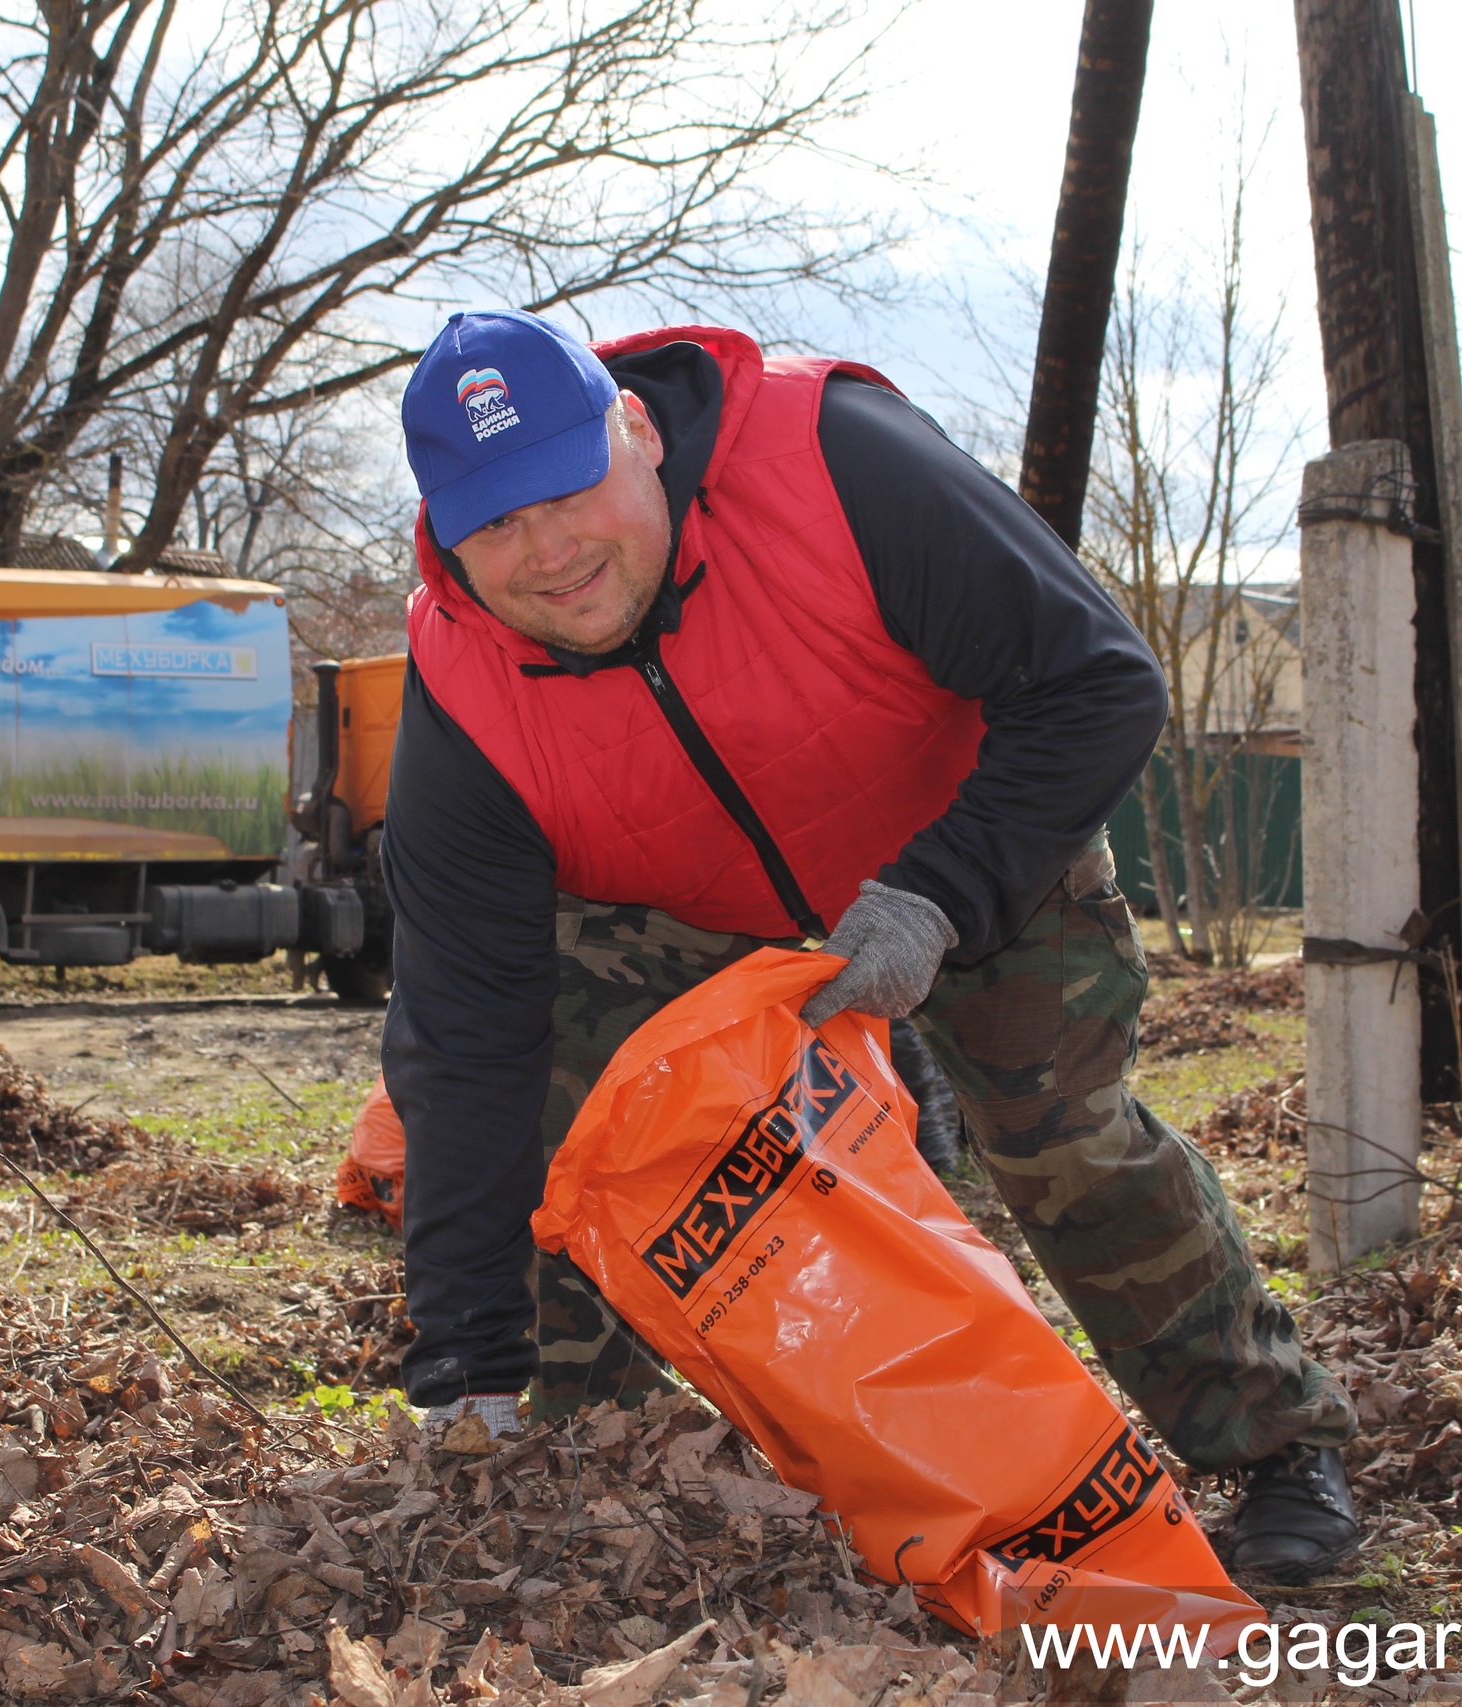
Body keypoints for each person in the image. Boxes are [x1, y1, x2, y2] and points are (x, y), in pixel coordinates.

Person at [378, 309, 1359, 1583]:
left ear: (633, 430)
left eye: (567, 490)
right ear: (445, 532)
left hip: (967, 837)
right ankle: (572, 1462)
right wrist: (464, 1354)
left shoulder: (831, 457)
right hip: (687, 910)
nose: (548, 553)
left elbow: (1100, 678)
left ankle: (1277, 1441)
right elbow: (465, 1035)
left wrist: (936, 895)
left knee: (1057, 1128)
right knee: (576, 1124)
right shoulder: (461, 689)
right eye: (494, 522)